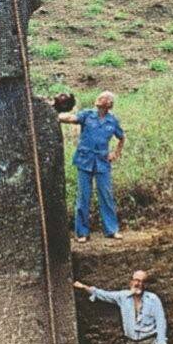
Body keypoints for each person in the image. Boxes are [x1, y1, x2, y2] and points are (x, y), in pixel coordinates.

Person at [58, 90, 125, 241]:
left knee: (106, 195)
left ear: (109, 104)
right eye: (99, 97)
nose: (98, 99)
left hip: (102, 161)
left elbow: (121, 137)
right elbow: (70, 118)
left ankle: (111, 230)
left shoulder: (112, 121)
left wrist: (115, 153)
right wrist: (54, 114)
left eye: (102, 98)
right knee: (83, 196)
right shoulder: (87, 114)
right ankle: (82, 233)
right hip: (85, 160)